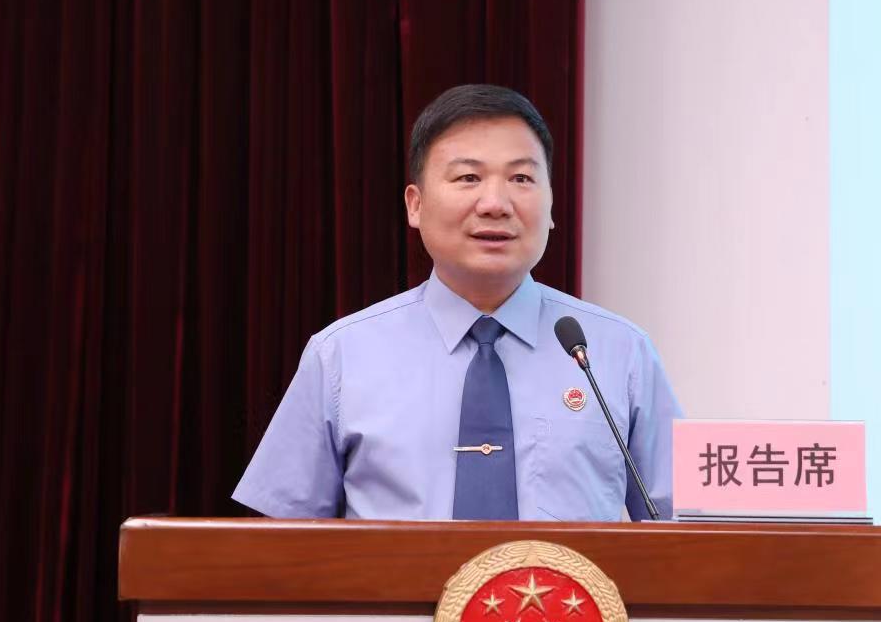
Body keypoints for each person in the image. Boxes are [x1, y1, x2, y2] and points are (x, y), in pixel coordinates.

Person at [233, 84, 682, 521]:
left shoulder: (619, 353)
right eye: (468, 177)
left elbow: (691, 533)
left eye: (521, 178)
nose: (495, 203)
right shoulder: (341, 356)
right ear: (415, 205)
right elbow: (283, 547)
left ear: (550, 206)